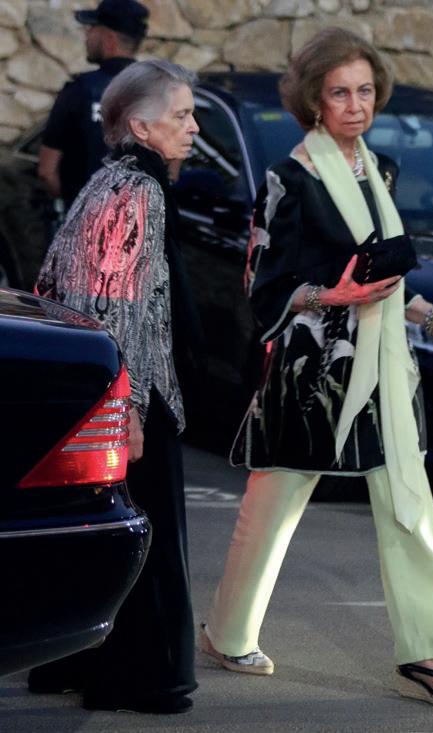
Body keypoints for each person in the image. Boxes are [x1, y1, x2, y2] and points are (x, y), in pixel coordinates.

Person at [199, 27, 433, 710]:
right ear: (313, 101)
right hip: (313, 376)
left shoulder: (381, 171)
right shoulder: (289, 179)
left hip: (384, 367)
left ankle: (423, 653)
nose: (356, 106)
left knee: (409, 505)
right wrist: (333, 296)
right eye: (339, 93)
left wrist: (431, 316)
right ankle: (228, 632)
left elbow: (384, 273)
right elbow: (264, 285)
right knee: (272, 506)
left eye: (364, 91)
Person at [29, 59, 201, 715]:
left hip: (106, 385)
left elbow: (53, 279)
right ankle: (142, 679)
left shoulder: (107, 180)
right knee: (145, 540)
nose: (194, 127)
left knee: (102, 532)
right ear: (140, 125)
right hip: (132, 391)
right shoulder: (139, 191)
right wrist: (127, 408)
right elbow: (120, 305)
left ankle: (77, 663)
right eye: (181, 114)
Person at [38, 0, 149, 212]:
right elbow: (174, 162)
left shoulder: (80, 90)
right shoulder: (158, 92)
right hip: (137, 224)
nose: (87, 35)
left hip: (85, 221)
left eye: (92, 28)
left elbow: (46, 170)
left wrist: (76, 207)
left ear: (109, 38)